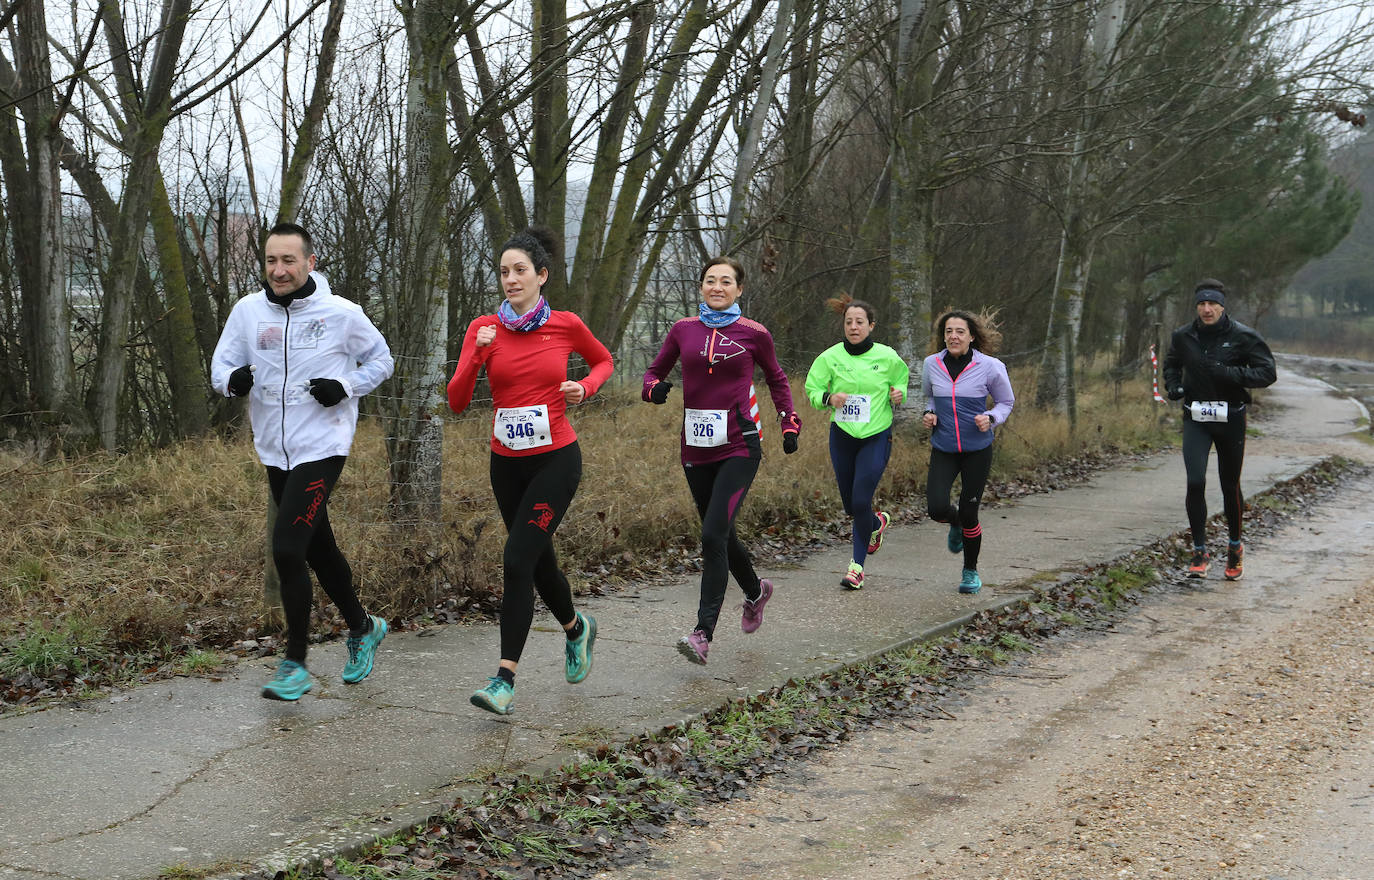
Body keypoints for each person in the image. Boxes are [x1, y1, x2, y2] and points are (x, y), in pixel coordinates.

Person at [211, 222, 394, 701]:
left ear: (310, 263)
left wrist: (345, 386)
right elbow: (220, 367)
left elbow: (382, 360)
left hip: (322, 446)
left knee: (288, 547)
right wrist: (233, 381)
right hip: (274, 448)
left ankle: (294, 663)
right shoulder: (248, 312)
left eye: (289, 261)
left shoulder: (341, 313)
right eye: (272, 260)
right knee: (318, 548)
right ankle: (363, 625)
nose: (279, 270)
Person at [447, 226, 613, 715]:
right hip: (506, 466)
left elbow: (603, 361)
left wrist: (585, 388)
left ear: (542, 275)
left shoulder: (565, 325)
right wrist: (477, 355)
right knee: (538, 562)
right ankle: (577, 628)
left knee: (517, 559)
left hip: (556, 460)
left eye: (520, 270)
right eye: (504, 272)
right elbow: (456, 401)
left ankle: (504, 680)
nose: (511, 279)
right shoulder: (484, 329)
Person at [642, 256, 801, 665]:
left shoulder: (754, 333)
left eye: (726, 281)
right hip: (695, 448)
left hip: (739, 446)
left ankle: (702, 633)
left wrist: (789, 421)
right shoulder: (683, 329)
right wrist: (653, 390)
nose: (717, 287)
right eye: (710, 280)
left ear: (739, 289)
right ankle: (756, 592)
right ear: (701, 287)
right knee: (722, 534)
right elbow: (653, 372)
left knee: (712, 535)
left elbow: (777, 378)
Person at [1161, 279, 1276, 580]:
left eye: (1212, 304)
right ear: (1196, 307)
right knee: (1195, 481)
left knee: (1229, 485)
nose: (1207, 309)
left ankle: (1235, 546)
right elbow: (1171, 364)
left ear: (1222, 307)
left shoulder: (1243, 336)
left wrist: (1230, 374)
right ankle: (1200, 552)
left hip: (1231, 417)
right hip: (1196, 417)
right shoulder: (1183, 336)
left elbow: (1267, 373)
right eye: (1202, 304)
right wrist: (1173, 385)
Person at [804, 296, 909, 589]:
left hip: (876, 435)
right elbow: (812, 389)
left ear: (871, 325)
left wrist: (899, 393)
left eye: (859, 322)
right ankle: (875, 524)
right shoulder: (830, 357)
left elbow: (901, 381)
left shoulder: (887, 356)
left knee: (862, 500)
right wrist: (828, 398)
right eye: (849, 322)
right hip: (842, 435)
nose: (853, 327)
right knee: (852, 505)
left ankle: (856, 568)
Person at [921, 309, 1014, 596]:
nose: (953, 336)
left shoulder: (990, 366)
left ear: (972, 336)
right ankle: (955, 523)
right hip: (944, 448)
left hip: (977, 449)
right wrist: (929, 413)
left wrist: (991, 418)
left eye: (960, 331)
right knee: (936, 508)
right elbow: (929, 397)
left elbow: (1006, 402)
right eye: (948, 331)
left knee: (970, 512)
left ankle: (970, 571)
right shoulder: (931, 364)